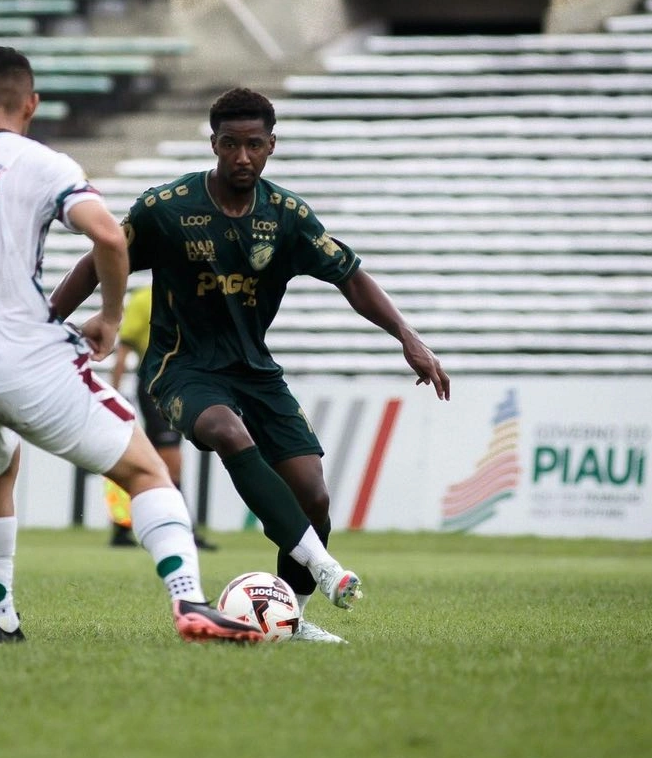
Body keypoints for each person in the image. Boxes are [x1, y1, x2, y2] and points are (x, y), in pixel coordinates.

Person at [0, 46, 261, 646]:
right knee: (145, 470)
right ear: (30, 104)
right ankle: (190, 601)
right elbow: (109, 237)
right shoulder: (41, 163)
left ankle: (0, 617)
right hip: (23, 362)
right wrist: (109, 317)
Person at [50, 86, 450, 644]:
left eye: (254, 145)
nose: (242, 156)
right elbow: (100, 258)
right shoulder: (167, 208)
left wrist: (408, 336)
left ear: (271, 146)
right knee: (226, 430)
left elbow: (351, 277)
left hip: (255, 370)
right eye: (231, 144)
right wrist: (47, 323)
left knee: (313, 496)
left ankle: (295, 618)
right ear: (213, 143)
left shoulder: (286, 216)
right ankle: (325, 566)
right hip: (181, 366)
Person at [103, 284, 218, 552]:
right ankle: (183, 529)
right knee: (170, 460)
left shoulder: (185, 292)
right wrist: (113, 392)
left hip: (179, 383)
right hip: (156, 384)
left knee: (149, 457)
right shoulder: (147, 298)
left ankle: (125, 528)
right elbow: (124, 349)